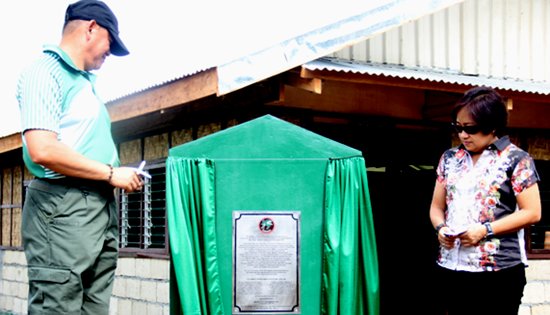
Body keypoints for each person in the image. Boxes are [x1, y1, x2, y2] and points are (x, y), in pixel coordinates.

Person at [16, 1, 143, 314]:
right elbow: (43, 148)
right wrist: (111, 174)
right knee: (58, 306)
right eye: (110, 44)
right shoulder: (44, 72)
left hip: (98, 204)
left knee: (94, 306)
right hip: (63, 205)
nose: (108, 55)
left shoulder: (84, 84)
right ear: (91, 28)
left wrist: (109, 178)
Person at [429, 86, 542, 315]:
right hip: (451, 267)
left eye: (471, 128)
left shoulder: (516, 159)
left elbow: (532, 212)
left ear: (492, 126)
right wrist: (441, 228)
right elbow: (436, 207)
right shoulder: (450, 158)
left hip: (499, 273)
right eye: (458, 127)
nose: (463, 135)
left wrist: (484, 230)